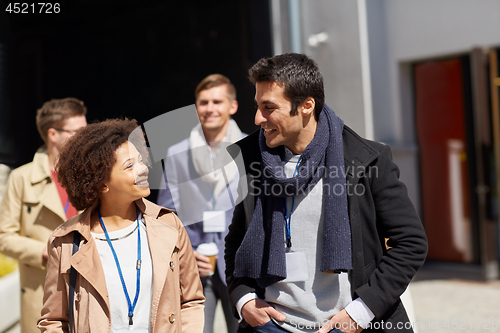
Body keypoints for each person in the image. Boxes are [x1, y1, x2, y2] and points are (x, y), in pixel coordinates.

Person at [224, 53, 428, 333]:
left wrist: (361, 312)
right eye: (258, 106)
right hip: (271, 326)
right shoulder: (251, 160)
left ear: (306, 106)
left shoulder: (365, 159)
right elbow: (237, 241)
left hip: (345, 325)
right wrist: (244, 299)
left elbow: (411, 244)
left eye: (269, 107)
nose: (259, 118)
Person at [38, 118, 205, 332]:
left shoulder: (169, 225)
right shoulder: (66, 241)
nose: (143, 169)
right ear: (102, 183)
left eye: (141, 160)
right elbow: (53, 321)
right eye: (130, 166)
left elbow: (191, 301)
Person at [158, 74, 242, 333]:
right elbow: (166, 214)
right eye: (203, 102)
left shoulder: (251, 150)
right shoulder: (176, 153)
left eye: (217, 101)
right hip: (195, 265)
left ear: (232, 106)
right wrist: (186, 253)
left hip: (240, 267)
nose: (210, 108)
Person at [0, 98, 87, 333]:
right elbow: (3, 237)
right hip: (43, 294)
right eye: (77, 131)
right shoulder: (21, 178)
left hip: (89, 291)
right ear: (53, 134)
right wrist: (46, 251)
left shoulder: (92, 174)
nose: (84, 138)